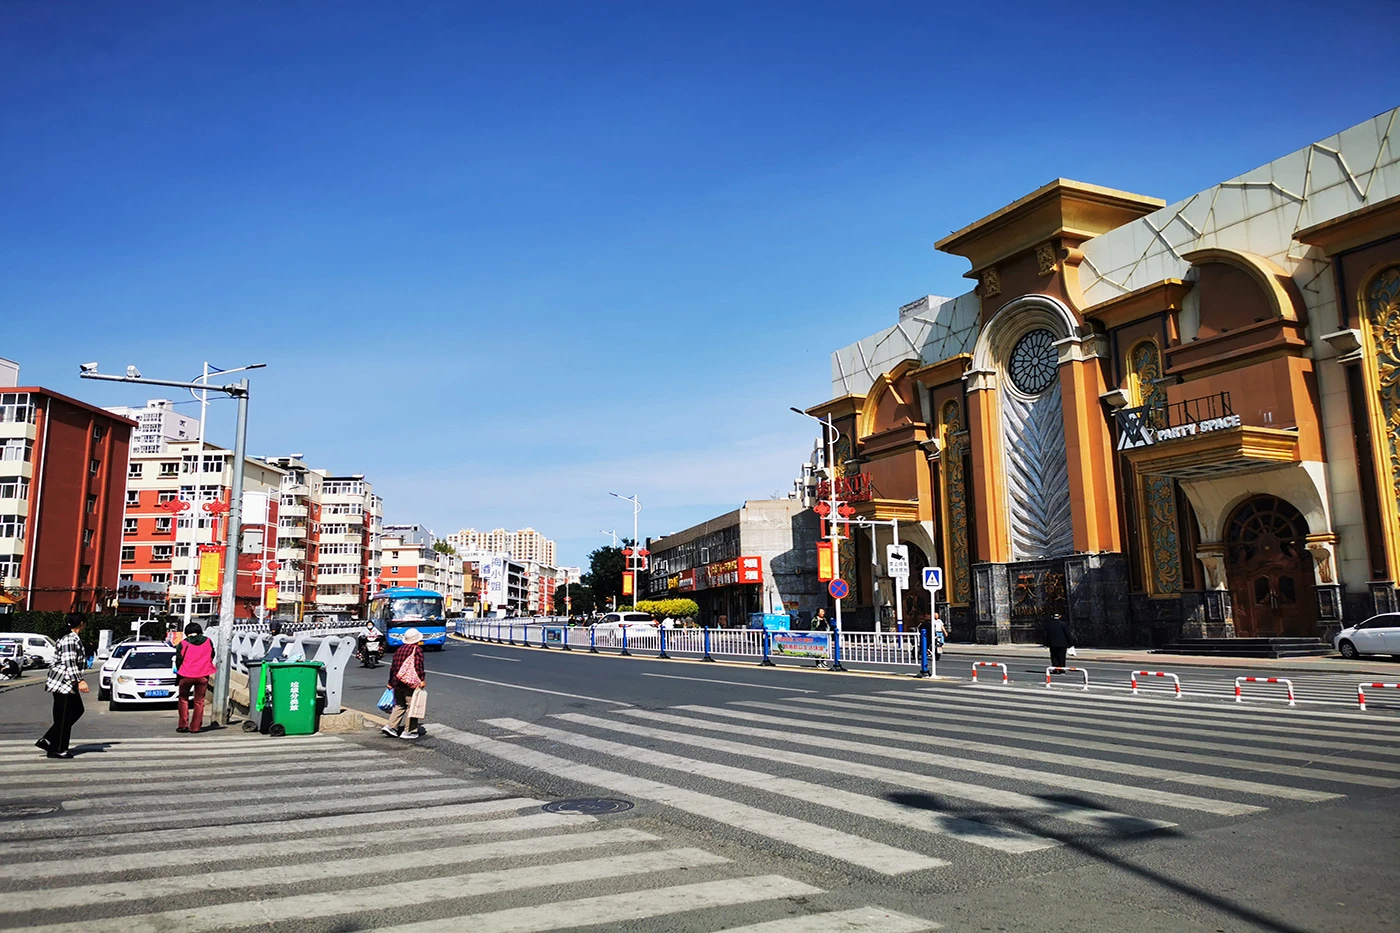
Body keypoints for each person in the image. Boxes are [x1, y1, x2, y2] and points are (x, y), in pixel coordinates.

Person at [36, 613, 89, 759]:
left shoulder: (70, 638)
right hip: (63, 683)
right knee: (65, 716)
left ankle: (48, 740)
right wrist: (80, 681)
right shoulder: (70, 640)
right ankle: (57, 749)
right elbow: (69, 662)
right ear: (82, 623)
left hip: (66, 682)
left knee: (75, 711)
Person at [383, 628, 426, 740]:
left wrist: (390, 682)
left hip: (397, 682)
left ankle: (391, 726)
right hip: (409, 683)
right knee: (412, 706)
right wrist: (421, 680)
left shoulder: (399, 649)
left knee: (399, 705)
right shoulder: (416, 650)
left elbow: (393, 667)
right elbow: (418, 667)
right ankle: (410, 731)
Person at [174, 622, 216, 733]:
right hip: (203, 675)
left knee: (183, 699)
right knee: (199, 701)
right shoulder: (208, 641)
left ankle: (183, 724)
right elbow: (212, 654)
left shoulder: (183, 644)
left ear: (187, 633)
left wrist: (179, 671)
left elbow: (178, 660)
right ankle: (196, 727)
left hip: (186, 675)